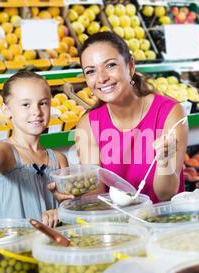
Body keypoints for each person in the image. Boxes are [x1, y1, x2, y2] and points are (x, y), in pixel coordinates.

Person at [75, 32, 188, 203]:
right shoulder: (88, 125)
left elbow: (166, 194)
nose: (102, 78)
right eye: (91, 71)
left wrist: (164, 162)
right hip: (116, 224)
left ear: (130, 66)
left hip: (165, 222)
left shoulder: (170, 113)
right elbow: (95, 198)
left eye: (110, 65)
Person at [0, 71, 72, 226]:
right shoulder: (4, 151)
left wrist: (61, 211)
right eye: (26, 104)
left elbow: (70, 207)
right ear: (6, 110)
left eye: (43, 103)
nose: (36, 112)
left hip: (50, 246)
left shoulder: (59, 160)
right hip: (11, 248)